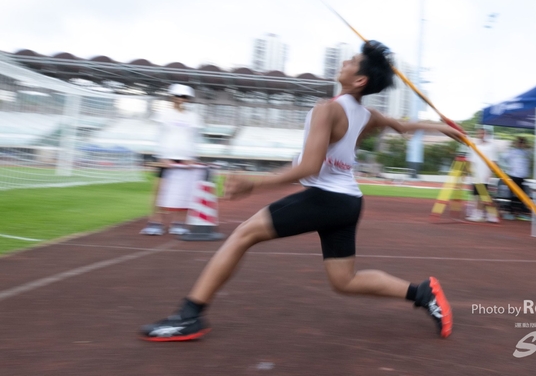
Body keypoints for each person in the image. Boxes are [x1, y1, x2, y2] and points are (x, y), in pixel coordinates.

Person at [139, 41, 464, 341]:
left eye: (352, 61)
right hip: (348, 202)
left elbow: (309, 167)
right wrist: (444, 128)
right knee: (344, 280)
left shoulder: (328, 109)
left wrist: (255, 183)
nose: (345, 62)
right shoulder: (368, 115)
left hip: (326, 198)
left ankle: (190, 316)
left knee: (242, 235)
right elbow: (403, 127)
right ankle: (423, 293)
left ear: (360, 80)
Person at [140, 83, 204, 236]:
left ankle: (179, 223)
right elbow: (160, 136)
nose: (180, 98)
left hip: (186, 158)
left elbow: (194, 138)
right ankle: (155, 222)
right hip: (166, 157)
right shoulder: (164, 114)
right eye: (177, 95)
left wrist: (192, 157)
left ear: (188, 99)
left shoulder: (194, 117)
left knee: (184, 192)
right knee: (160, 191)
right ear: (172, 97)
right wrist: (162, 156)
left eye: (184, 96)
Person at [466, 126, 498, 223]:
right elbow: (470, 160)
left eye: (483, 133)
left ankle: (487, 215)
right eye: (479, 133)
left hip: (485, 174)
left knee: (483, 196)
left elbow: (494, 162)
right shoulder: (473, 145)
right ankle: (480, 214)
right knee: (477, 196)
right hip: (476, 174)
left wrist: (490, 173)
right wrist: (469, 172)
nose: (481, 135)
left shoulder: (491, 146)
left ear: (486, 134)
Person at [504, 137, 532, 221]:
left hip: (522, 177)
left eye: (522, 142)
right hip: (513, 176)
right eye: (519, 142)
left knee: (522, 196)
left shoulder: (527, 152)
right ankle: (510, 212)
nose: (520, 144)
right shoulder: (512, 151)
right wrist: (508, 168)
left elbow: (530, 159)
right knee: (511, 195)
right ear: (516, 143)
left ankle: (521, 213)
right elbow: (503, 159)